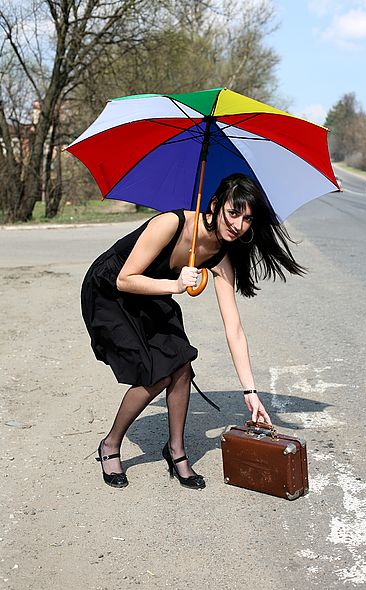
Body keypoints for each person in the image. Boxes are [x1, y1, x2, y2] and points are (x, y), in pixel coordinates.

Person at [81, 173, 306, 490]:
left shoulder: (220, 256)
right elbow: (125, 279)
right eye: (233, 212)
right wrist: (175, 284)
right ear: (215, 204)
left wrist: (250, 392)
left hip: (151, 295)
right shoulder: (170, 224)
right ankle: (110, 444)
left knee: (181, 366)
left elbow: (234, 328)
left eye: (246, 219)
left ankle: (176, 451)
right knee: (157, 373)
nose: (238, 225)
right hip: (110, 292)